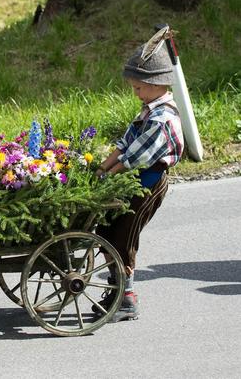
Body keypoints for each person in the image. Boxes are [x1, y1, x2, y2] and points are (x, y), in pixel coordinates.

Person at [93, 27, 184, 322]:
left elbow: (136, 157)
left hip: (148, 182)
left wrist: (111, 174)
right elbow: (124, 145)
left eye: (138, 88)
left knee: (123, 236)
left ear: (157, 84)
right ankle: (116, 288)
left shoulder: (162, 118)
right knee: (106, 230)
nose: (136, 94)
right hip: (131, 177)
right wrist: (102, 166)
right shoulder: (146, 110)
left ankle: (126, 298)